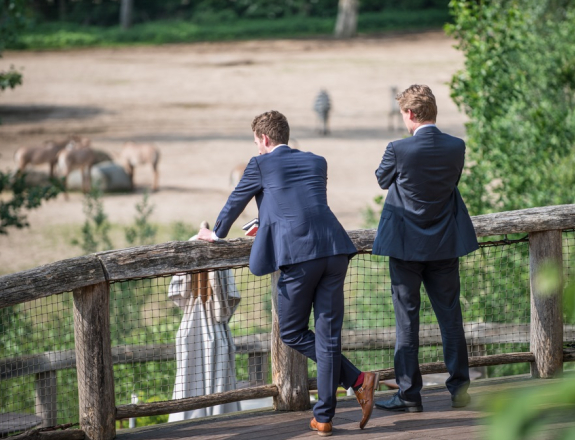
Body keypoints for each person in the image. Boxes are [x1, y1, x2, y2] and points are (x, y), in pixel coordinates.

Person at [197, 110, 378, 436]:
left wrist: (217, 233)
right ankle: (326, 415)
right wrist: (268, 224)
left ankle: (356, 380)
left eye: (256, 142)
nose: (257, 148)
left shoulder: (259, 164)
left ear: (264, 139)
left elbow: (237, 200)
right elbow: (299, 204)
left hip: (301, 256)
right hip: (335, 250)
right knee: (328, 337)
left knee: (292, 332)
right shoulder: (317, 161)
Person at [372, 85, 479, 412]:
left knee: (407, 322)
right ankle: (459, 391)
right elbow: (452, 182)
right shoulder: (456, 146)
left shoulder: (398, 148)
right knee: (451, 319)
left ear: (410, 114)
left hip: (405, 248)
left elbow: (381, 179)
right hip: (445, 244)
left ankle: (409, 395)